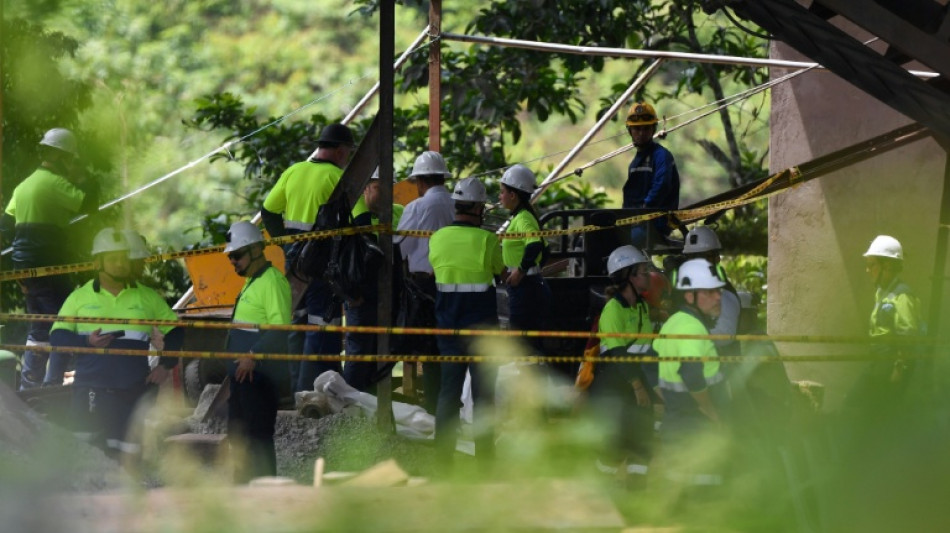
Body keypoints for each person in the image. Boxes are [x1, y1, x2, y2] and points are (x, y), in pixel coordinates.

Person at [48, 228, 183, 462]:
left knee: (128, 458)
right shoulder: (79, 297)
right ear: (98, 262)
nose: (121, 264)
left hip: (132, 392)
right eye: (113, 259)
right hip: (90, 390)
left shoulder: (147, 296)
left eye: (124, 258)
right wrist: (86, 341)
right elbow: (58, 337)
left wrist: (165, 365)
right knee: (85, 456)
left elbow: (176, 332)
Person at [259, 123, 355, 393]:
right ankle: (312, 394)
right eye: (347, 151)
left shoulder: (294, 171)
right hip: (323, 264)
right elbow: (359, 220)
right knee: (321, 325)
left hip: (295, 260)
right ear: (338, 151)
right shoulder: (336, 178)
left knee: (297, 323)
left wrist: (286, 246)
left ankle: (294, 391)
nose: (347, 156)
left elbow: (268, 211)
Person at [2, 128, 99, 389]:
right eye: (71, 160)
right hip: (47, 265)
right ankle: (52, 385)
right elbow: (89, 203)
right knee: (63, 321)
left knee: (39, 325)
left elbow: (5, 225)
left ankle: (28, 386)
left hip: (23, 268)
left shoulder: (24, 186)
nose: (71, 165)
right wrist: (88, 179)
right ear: (61, 158)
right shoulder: (56, 184)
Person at [428, 177, 504, 467]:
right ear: (476, 208)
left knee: (449, 392)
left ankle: (443, 460)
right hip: (483, 331)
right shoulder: (487, 240)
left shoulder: (437, 239)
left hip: (448, 328)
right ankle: (485, 461)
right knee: (484, 395)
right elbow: (502, 272)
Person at [222, 221, 291, 482]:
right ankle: (243, 494)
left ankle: (264, 496)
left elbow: (280, 329)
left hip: (260, 378)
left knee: (258, 439)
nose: (233, 262)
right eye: (231, 257)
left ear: (254, 250)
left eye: (236, 255)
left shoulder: (272, 282)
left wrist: (254, 355)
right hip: (244, 378)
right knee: (240, 437)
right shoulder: (253, 281)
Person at [652, 258, 730, 485]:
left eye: (718, 291)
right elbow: (691, 373)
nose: (718, 297)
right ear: (689, 296)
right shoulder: (691, 328)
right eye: (710, 292)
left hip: (675, 422)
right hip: (697, 427)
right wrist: (712, 412)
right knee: (705, 493)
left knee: (680, 493)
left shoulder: (674, 322)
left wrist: (665, 398)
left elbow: (649, 364)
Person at [394, 151, 455, 414]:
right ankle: (451, 406)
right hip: (454, 284)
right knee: (450, 348)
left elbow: (400, 249)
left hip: (424, 287)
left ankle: (432, 409)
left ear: (420, 181)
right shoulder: (457, 204)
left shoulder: (416, 208)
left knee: (428, 350)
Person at [589, 245, 657, 478]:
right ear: (629, 276)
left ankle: (637, 499)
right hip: (616, 388)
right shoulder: (613, 310)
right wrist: (639, 387)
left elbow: (646, 349)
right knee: (614, 448)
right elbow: (618, 354)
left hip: (636, 385)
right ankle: (601, 498)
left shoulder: (642, 307)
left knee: (641, 445)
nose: (649, 275)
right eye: (644, 271)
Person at [343, 168, 404, 391]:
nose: (387, 194)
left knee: (385, 354)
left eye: (390, 188)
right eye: (380, 188)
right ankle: (350, 411)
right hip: (361, 297)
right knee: (359, 354)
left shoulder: (397, 213)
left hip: (387, 296)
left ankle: (371, 406)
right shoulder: (354, 215)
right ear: (365, 187)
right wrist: (351, 294)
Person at [848, 235, 923, 411]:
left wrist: (898, 370)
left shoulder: (902, 296)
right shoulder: (882, 291)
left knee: (879, 413)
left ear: (888, 265)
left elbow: (908, 338)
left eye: (872, 265)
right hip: (877, 362)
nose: (867, 270)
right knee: (857, 407)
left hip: (890, 364)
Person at [498, 164, 552, 357]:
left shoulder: (523, 219)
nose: (499, 196)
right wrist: (534, 271)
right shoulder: (523, 217)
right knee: (528, 344)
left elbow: (535, 245)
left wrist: (521, 271)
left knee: (523, 345)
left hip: (526, 288)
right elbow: (546, 249)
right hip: (530, 285)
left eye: (502, 192)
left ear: (513, 195)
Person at [621, 102, 680, 248]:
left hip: (655, 223)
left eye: (646, 128)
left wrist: (644, 210)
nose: (641, 133)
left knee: (620, 242)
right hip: (636, 222)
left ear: (653, 129)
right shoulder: (635, 163)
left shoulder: (661, 156)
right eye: (637, 129)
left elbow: (662, 185)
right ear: (630, 131)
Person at [679, 226, 741, 358]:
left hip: (725, 368)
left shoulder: (724, 293)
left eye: (703, 258)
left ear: (716, 259)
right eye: (692, 258)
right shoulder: (688, 289)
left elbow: (725, 336)